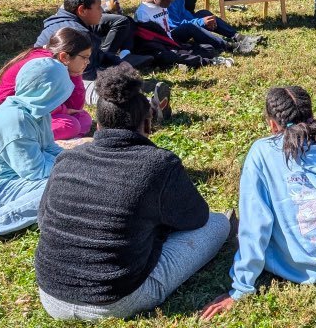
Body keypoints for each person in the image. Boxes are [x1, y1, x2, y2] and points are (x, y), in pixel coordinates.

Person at [34, 64, 230, 320]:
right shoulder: (159, 164)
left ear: (98, 124)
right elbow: (197, 218)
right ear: (147, 123)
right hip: (116, 301)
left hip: (51, 296)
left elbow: (43, 219)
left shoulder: (68, 159)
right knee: (218, 224)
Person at [200, 86, 316, 318]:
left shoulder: (261, 153)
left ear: (272, 125)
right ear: (311, 115)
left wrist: (241, 289)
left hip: (300, 265)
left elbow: (255, 224)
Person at [0, 58, 74, 252]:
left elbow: (49, 147)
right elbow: (36, 171)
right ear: (47, 92)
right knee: (58, 188)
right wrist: (72, 168)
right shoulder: (16, 123)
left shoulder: (36, 111)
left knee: (68, 180)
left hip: (9, 178)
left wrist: (73, 160)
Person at [0, 27, 93, 150]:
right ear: (64, 56)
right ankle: (4, 139)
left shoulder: (58, 62)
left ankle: (39, 139)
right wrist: (65, 110)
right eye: (85, 58)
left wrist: (76, 73)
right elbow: (35, 103)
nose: (88, 62)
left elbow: (75, 106)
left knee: (83, 118)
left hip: (28, 113)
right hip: (1, 112)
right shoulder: (45, 68)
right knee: (71, 125)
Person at [36, 0, 151, 105]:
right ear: (82, 10)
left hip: (49, 78)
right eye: (98, 7)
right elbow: (88, 73)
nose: (102, 11)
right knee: (111, 90)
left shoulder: (60, 20)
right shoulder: (79, 35)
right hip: (55, 85)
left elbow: (98, 55)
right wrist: (120, 75)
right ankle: (146, 103)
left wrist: (118, 62)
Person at [135, 0, 234, 67]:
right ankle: (202, 61)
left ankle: (228, 46)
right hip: (160, 46)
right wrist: (174, 49)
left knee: (199, 38)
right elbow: (150, 41)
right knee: (171, 56)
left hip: (170, 38)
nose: (169, 5)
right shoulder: (143, 13)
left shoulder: (161, 4)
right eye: (167, 2)